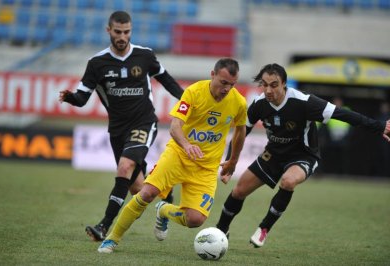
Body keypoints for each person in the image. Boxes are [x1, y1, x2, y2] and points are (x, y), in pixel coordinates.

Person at [215, 63, 390, 248]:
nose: (268, 90)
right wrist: (230, 161)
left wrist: (378, 126)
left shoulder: (305, 102)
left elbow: (343, 114)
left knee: (288, 181)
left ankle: (265, 227)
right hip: (273, 154)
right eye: (264, 85)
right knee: (239, 191)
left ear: (284, 84)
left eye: (274, 85)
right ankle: (220, 231)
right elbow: (242, 132)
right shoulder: (259, 104)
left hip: (304, 155)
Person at [97, 58, 247, 253]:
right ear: (213, 74)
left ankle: (164, 211)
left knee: (195, 220)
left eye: (232, 84)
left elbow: (240, 131)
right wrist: (186, 145)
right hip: (178, 156)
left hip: (206, 168)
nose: (227, 89)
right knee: (147, 193)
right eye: (224, 82)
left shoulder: (239, 103)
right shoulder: (193, 92)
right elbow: (175, 126)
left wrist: (233, 161)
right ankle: (112, 239)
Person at [59, 11, 183, 241]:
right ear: (109, 30)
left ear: (131, 31)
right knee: (137, 189)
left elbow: (165, 79)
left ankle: (104, 226)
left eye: (126, 32)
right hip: (117, 130)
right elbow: (83, 98)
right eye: (118, 32)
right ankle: (165, 189)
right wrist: (70, 98)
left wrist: (186, 100)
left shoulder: (145, 56)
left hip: (144, 122)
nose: (122, 36)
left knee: (124, 167)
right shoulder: (97, 63)